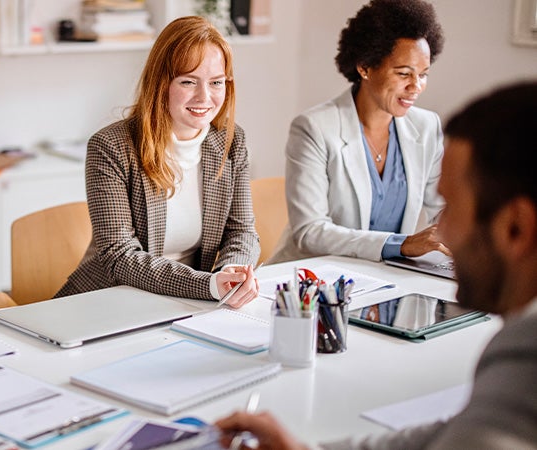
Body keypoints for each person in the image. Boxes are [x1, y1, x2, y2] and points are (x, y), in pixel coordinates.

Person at [215, 80, 537, 449]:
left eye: (452, 209)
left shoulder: (526, 355)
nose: (440, 227)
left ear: (516, 228)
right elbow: (446, 436)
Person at [55, 16, 261, 307]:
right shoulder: (111, 147)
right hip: (110, 300)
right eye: (188, 81)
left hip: (188, 304)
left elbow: (242, 232)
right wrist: (207, 285)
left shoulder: (231, 141)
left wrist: (230, 274)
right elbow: (120, 256)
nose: (205, 97)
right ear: (161, 83)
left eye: (216, 82)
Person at [268, 0, 447, 264]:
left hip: (387, 280)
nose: (416, 86)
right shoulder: (313, 128)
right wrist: (400, 245)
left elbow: (443, 209)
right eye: (404, 73)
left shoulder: (427, 127)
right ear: (365, 67)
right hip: (313, 282)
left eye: (423, 74)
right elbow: (311, 231)